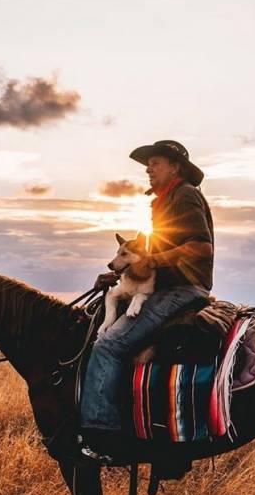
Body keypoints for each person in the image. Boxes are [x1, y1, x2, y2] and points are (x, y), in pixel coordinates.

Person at [79, 139, 214, 463]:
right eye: (147, 165)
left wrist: (152, 262)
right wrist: (126, 274)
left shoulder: (184, 195)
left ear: (175, 167)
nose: (149, 170)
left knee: (109, 345)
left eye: (155, 163)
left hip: (184, 289)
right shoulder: (163, 202)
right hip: (163, 287)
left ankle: (102, 435)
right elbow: (147, 258)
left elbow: (201, 248)